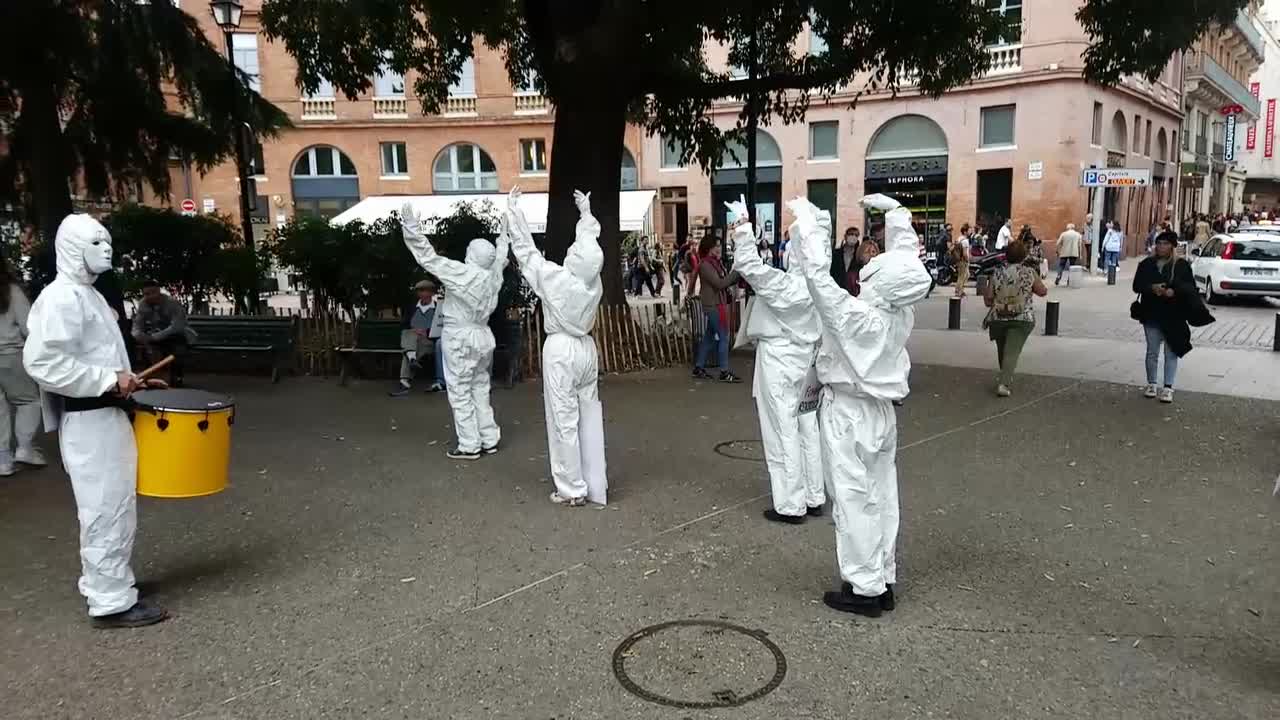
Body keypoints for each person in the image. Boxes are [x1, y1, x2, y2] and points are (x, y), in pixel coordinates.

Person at [791, 193, 932, 618]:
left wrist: (808, 227)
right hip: (881, 413)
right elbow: (908, 264)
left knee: (853, 498)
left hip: (849, 413)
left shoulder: (858, 317)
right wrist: (896, 217)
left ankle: (864, 586)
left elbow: (817, 279)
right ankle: (882, 576)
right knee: (882, 495)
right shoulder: (899, 313)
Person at [24, 214, 166, 628]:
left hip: (106, 415)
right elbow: (43, 362)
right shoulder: (62, 298)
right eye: (95, 243)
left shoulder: (87, 295)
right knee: (104, 508)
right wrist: (107, 380)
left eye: (107, 242)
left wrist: (130, 381)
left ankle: (111, 582)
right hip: (91, 421)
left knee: (115, 504)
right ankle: (110, 602)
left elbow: (95, 358)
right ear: (72, 249)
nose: (107, 250)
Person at [724, 195, 825, 525]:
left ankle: (790, 503)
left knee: (782, 430)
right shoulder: (819, 285)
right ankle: (814, 494)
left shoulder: (790, 287)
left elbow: (750, 268)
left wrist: (741, 226)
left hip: (780, 360)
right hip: (804, 359)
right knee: (806, 426)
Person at [507, 188, 605, 508]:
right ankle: (595, 483)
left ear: (574, 259)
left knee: (563, 418)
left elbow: (527, 254)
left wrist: (514, 214)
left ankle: (571, 488)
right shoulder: (595, 284)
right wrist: (586, 213)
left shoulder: (557, 279)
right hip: (587, 348)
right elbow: (590, 243)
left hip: (562, 348)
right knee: (589, 414)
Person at [401, 202, 508, 460]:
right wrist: (504, 235)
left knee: (460, 390)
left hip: (460, 336)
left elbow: (428, 258)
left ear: (471, 256)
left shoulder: (462, 274)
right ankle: (488, 437)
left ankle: (470, 444)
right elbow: (501, 257)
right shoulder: (494, 277)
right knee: (480, 388)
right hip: (483, 335)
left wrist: (412, 229)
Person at [1132, 231, 1199, 403]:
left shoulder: (1181, 265)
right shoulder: (1147, 264)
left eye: (1165, 243)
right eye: (1159, 243)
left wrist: (1173, 291)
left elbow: (1190, 288)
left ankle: (1168, 387)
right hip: (1151, 313)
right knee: (1152, 352)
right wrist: (1152, 288)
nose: (1161, 246)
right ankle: (1152, 384)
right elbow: (1137, 285)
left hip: (1173, 315)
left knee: (1171, 352)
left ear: (1172, 246)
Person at [982, 241, 1048, 398]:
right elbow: (1042, 291)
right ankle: (1004, 383)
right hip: (1022, 318)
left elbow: (988, 300)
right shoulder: (1029, 272)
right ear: (1024, 256)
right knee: (1012, 351)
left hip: (998, 317)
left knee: (1003, 350)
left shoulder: (996, 272)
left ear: (1006, 255)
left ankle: (1005, 376)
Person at [0, 259, 45, 476]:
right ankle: (24, 449)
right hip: (11, 355)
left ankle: (3, 460)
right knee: (29, 401)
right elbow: (30, 327)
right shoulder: (11, 291)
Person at [693, 233, 742, 383]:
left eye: (720, 245)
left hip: (716, 303)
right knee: (724, 336)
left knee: (709, 336)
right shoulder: (706, 265)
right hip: (713, 305)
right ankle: (724, 371)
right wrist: (736, 273)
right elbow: (719, 284)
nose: (719, 248)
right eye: (716, 246)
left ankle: (699, 367)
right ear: (709, 248)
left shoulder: (714, 263)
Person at [130, 281, 195, 387]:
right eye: (146, 294)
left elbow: (177, 326)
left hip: (176, 335)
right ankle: (150, 377)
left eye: (151, 293)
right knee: (146, 349)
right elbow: (138, 323)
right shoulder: (143, 304)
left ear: (158, 291)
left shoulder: (172, 303)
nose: (148, 297)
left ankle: (176, 377)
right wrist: (137, 334)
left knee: (178, 350)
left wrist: (156, 337)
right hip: (155, 335)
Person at [390, 279, 445, 397]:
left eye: (426, 291)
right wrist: (414, 330)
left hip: (427, 342)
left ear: (431, 293)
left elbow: (441, 328)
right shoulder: (411, 308)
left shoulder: (437, 309)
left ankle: (404, 382)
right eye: (420, 291)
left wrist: (427, 332)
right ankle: (411, 358)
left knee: (408, 350)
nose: (423, 294)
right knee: (408, 333)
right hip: (412, 340)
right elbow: (403, 325)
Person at [831, 226, 861, 294]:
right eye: (851, 234)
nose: (853, 237)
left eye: (856, 235)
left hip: (852, 290)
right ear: (845, 236)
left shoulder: (858, 255)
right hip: (836, 289)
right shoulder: (836, 253)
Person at [950, 225, 971, 297]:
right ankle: (958, 291)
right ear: (965, 232)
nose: (970, 232)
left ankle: (960, 290)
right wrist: (967, 260)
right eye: (969, 230)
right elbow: (965, 253)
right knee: (962, 276)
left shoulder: (959, 238)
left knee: (966, 275)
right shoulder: (965, 241)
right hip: (963, 261)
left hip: (959, 260)